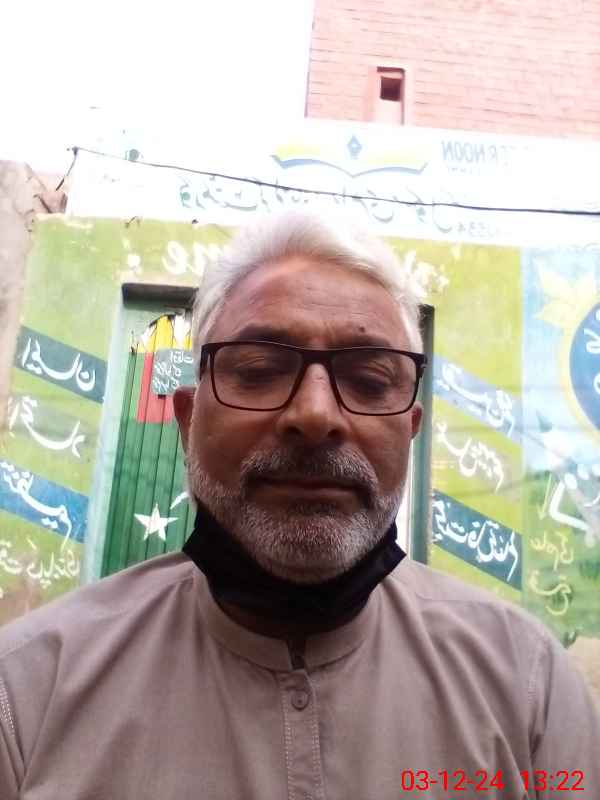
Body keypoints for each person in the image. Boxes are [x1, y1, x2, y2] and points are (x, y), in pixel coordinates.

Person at [0, 210, 598, 799]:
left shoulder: (527, 689)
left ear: (410, 432)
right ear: (187, 423)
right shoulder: (27, 694)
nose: (314, 416)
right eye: (260, 370)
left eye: (369, 381)